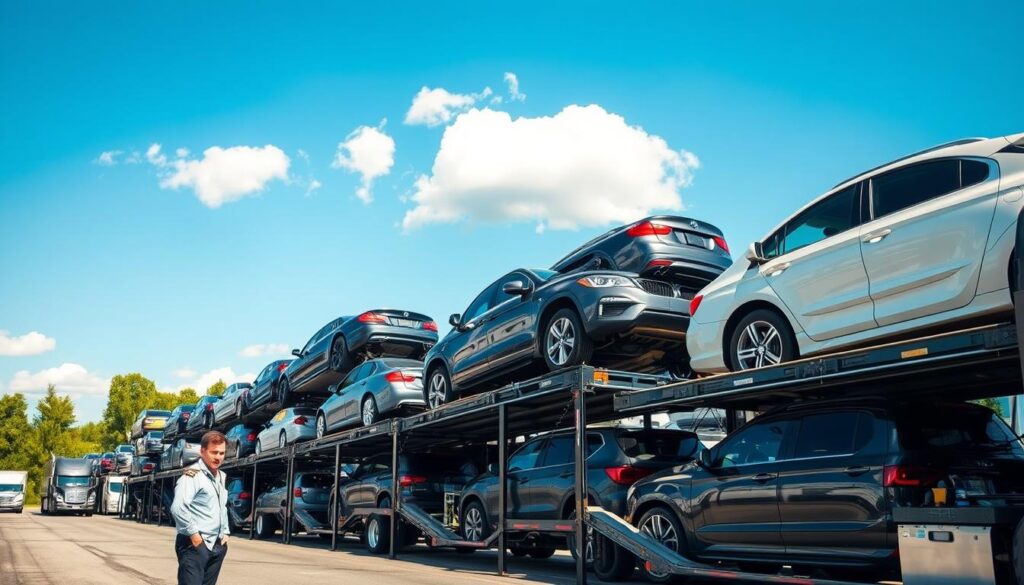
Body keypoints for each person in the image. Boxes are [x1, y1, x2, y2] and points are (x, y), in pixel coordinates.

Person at [169, 430, 230, 585]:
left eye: (222, 453)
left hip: (216, 544)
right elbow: (178, 508)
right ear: (202, 451)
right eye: (214, 452)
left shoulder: (221, 476)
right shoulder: (192, 476)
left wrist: (225, 532)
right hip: (194, 545)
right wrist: (195, 536)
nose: (218, 457)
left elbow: (221, 505)